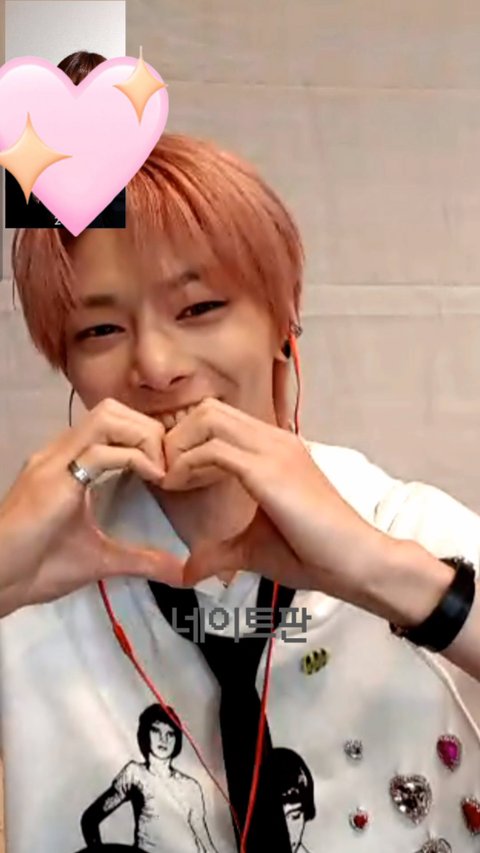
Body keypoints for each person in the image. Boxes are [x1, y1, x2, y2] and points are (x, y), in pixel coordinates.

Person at [1, 48, 480, 853]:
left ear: (283, 316)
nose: (157, 366)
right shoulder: (35, 589)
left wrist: (384, 573)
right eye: (100, 328)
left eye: (199, 308)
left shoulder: (407, 530)